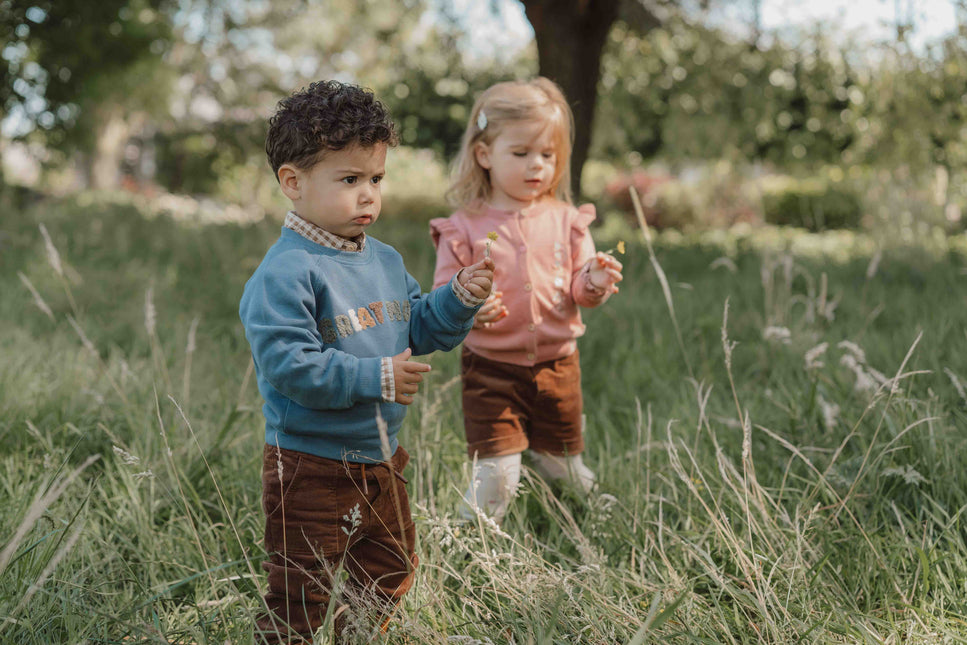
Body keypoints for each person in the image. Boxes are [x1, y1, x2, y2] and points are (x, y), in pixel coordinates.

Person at [240, 80, 494, 644]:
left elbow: (419, 327)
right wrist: (376, 376)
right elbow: (290, 367)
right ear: (293, 182)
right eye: (349, 179)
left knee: (390, 572)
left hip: (380, 461)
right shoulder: (286, 273)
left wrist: (459, 298)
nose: (368, 196)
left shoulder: (384, 259)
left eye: (376, 178)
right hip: (308, 466)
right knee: (299, 596)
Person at [430, 77, 623, 524]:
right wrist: (470, 308)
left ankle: (601, 514)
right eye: (521, 154)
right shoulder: (463, 229)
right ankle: (463, 542)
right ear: (484, 155)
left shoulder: (568, 221)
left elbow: (581, 289)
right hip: (491, 370)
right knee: (498, 477)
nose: (537, 165)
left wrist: (593, 279)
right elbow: (443, 295)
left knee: (561, 464)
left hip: (558, 366)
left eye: (548, 155)